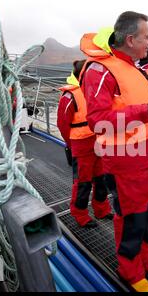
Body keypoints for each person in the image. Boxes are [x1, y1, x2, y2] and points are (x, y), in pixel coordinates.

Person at [80, 11, 148, 292]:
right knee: (133, 217)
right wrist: (147, 109)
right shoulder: (101, 70)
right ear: (131, 38)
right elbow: (98, 121)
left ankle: (147, 258)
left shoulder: (137, 68)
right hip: (126, 160)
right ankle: (130, 270)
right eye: (146, 36)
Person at [57, 60, 112, 228]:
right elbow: (62, 124)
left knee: (101, 180)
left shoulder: (95, 90)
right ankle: (80, 215)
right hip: (81, 146)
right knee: (83, 183)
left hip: (99, 143)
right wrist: (71, 144)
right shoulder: (69, 96)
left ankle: (102, 210)